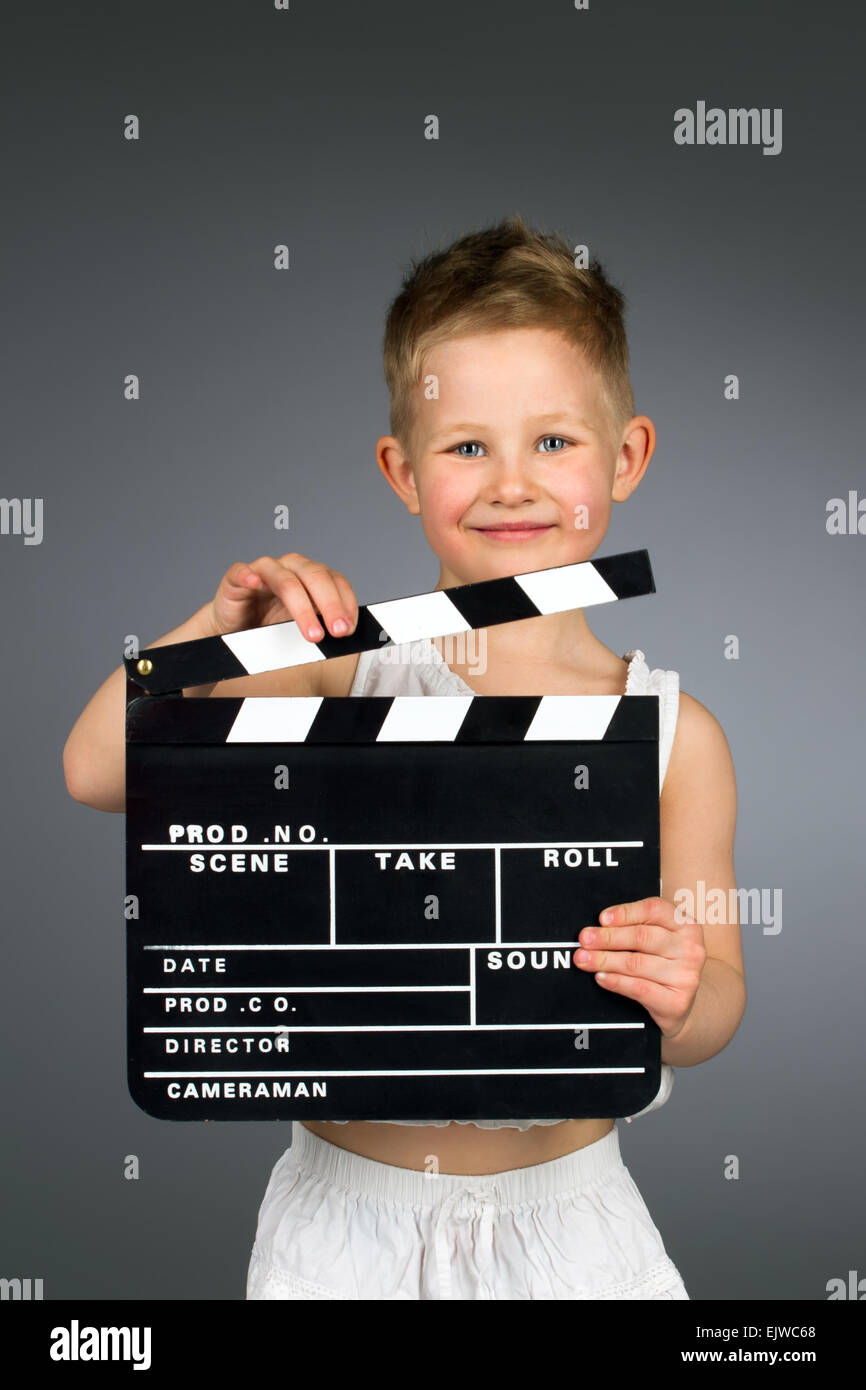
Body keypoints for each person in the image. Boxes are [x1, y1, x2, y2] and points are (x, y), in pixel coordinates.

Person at [63, 214, 746, 1300]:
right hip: (345, 1229)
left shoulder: (674, 735)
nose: (511, 482)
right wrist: (218, 630)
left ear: (624, 459)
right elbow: (99, 766)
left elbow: (712, 1008)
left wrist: (676, 987)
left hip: (571, 1226)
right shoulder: (341, 674)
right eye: (466, 444)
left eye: (553, 441)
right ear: (401, 467)